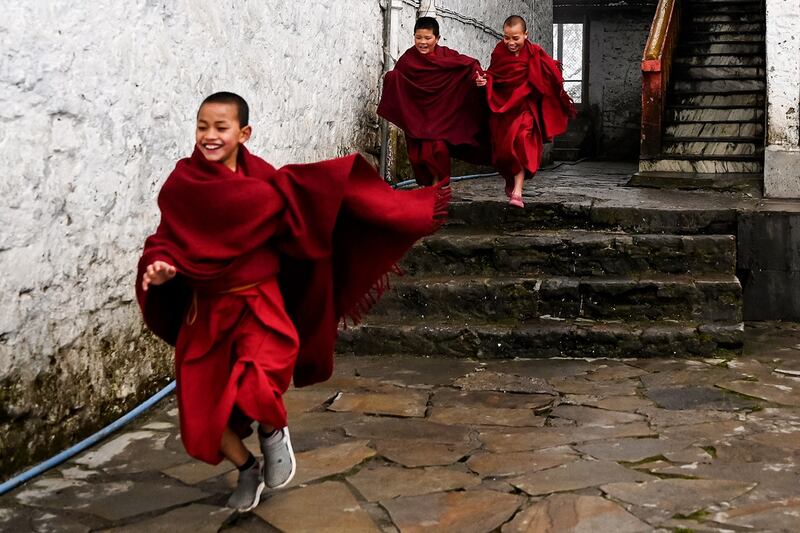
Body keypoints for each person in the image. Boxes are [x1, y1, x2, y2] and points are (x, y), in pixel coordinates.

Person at [136, 92, 450, 512]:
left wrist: (386, 209)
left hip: (258, 308)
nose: (209, 136)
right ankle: (247, 468)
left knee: (256, 386)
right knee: (200, 422)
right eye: (202, 127)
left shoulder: (266, 185)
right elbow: (167, 239)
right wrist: (160, 266)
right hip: (205, 315)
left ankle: (271, 430)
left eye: (220, 128)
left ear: (243, 134)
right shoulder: (182, 186)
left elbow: (311, 208)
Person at [476, 15, 575, 208]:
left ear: (525, 35)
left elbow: (551, 77)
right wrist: (484, 81)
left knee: (522, 141)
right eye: (506, 37)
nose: (511, 43)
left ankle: (517, 192)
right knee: (504, 151)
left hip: (525, 108)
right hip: (504, 109)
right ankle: (510, 179)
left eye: (516, 38)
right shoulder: (498, 52)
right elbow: (494, 75)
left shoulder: (535, 52)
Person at [378, 16, 490, 186]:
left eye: (428, 38)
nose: (422, 42)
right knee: (419, 155)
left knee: (438, 149)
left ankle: (439, 185)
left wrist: (478, 78)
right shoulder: (408, 59)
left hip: (440, 116)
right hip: (418, 117)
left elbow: (469, 65)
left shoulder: (446, 56)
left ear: (437, 38)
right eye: (418, 37)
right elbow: (400, 82)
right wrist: (391, 79)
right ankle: (428, 187)